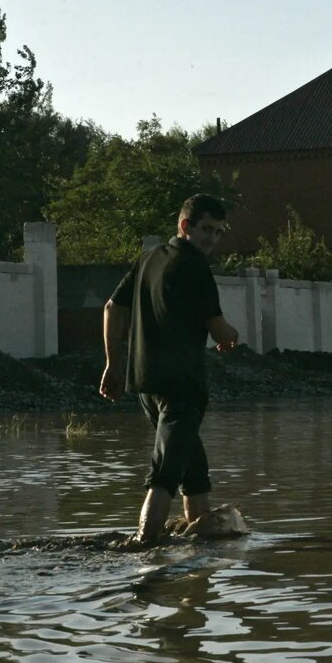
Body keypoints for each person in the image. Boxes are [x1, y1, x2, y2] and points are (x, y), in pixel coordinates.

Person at [100, 194, 240, 547]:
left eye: (219, 232)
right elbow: (219, 329)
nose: (212, 238)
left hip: (147, 384)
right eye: (207, 229)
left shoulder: (149, 259)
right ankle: (142, 549)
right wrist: (231, 338)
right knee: (164, 473)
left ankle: (201, 553)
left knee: (194, 473)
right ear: (185, 226)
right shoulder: (195, 267)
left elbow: (112, 309)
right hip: (183, 387)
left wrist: (113, 364)